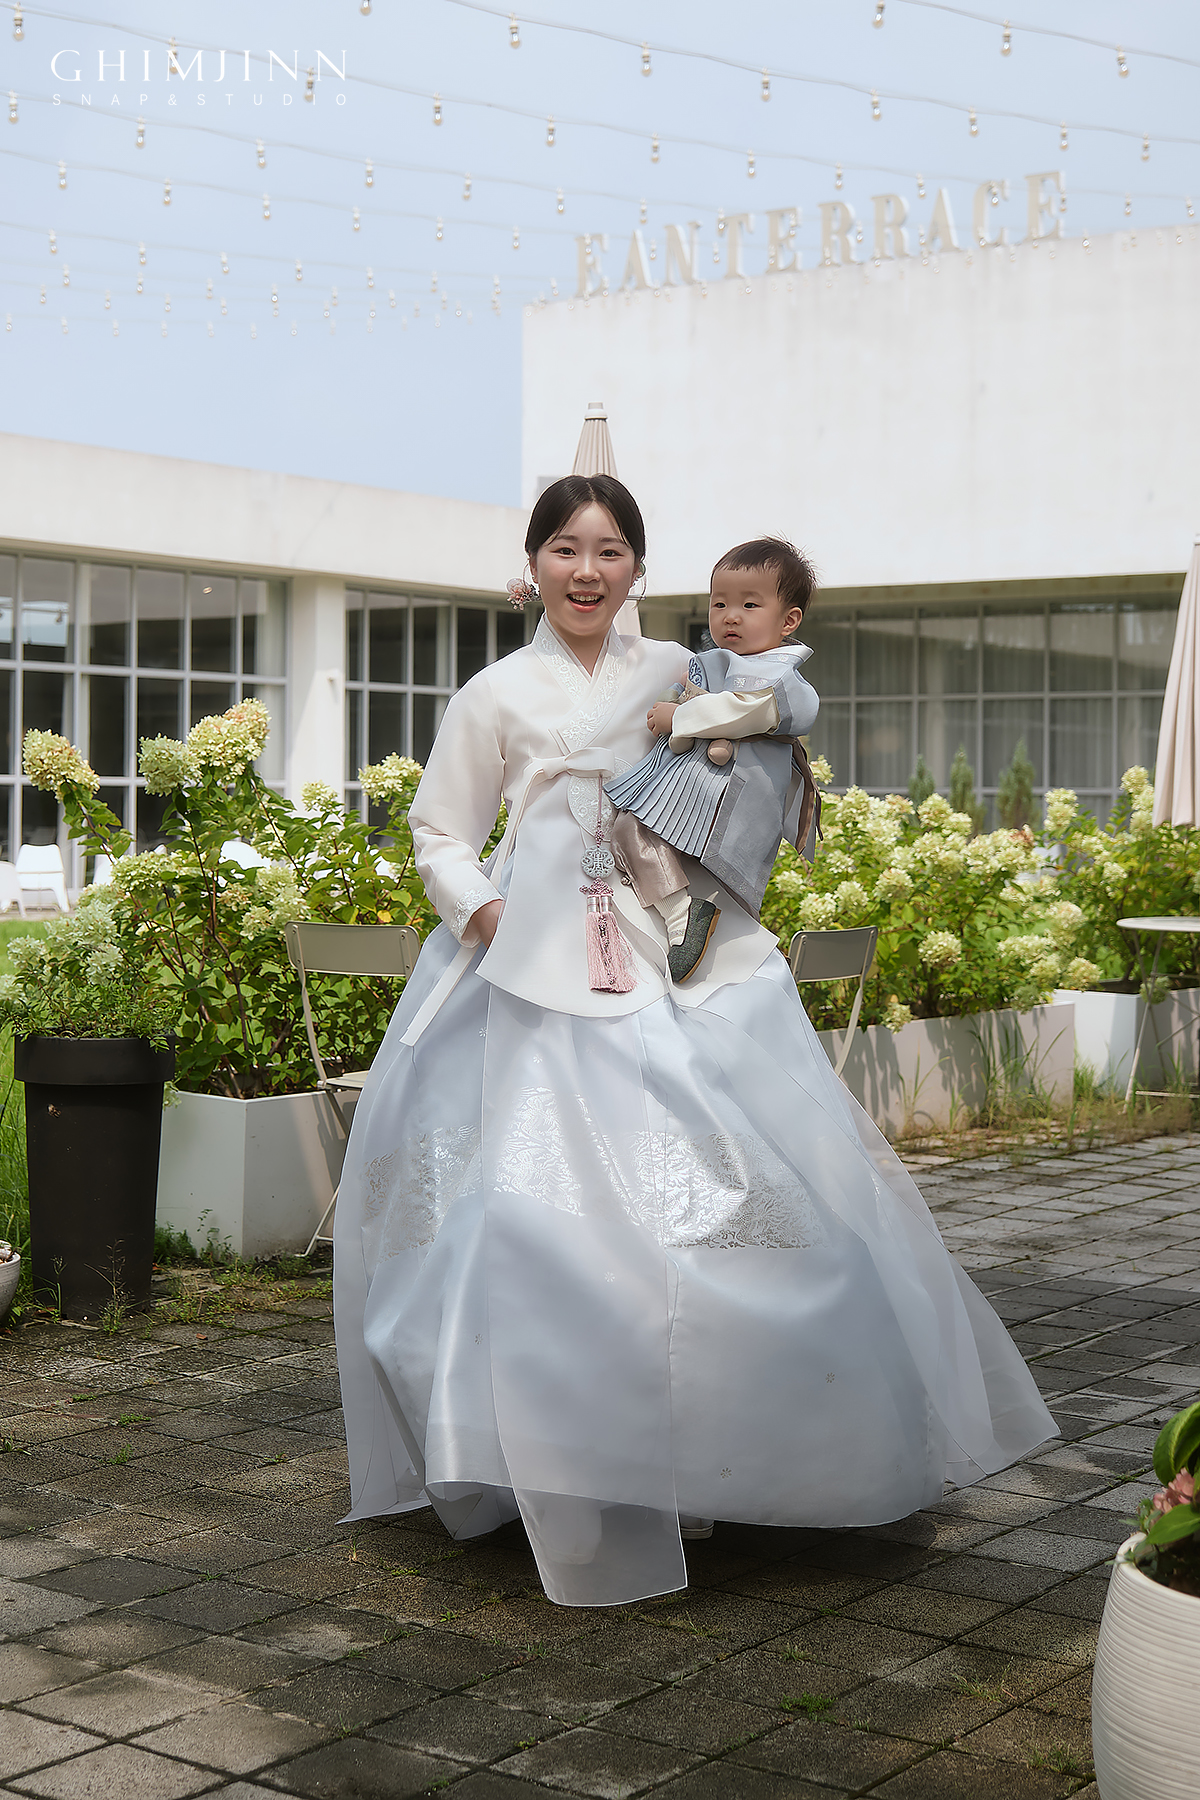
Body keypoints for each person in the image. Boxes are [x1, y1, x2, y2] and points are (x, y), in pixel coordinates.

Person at [333, 473, 1057, 1610]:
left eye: (610, 551)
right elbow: (440, 830)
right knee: (520, 1214)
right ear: (533, 565)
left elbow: (774, 724)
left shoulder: (684, 667)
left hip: (672, 943)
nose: (587, 571)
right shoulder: (493, 692)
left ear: (637, 568)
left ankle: (721, 1452)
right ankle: (546, 1458)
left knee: (730, 1190)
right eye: (566, 549)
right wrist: (484, 913)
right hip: (530, 955)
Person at [606, 537, 822, 983]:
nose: (730, 616)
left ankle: (686, 920)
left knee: (643, 832)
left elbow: (742, 710)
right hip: (699, 779)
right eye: (719, 603)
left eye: (749, 604)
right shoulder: (714, 661)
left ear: (789, 620)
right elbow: (692, 689)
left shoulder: (780, 676)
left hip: (733, 790)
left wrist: (679, 716)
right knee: (631, 828)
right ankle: (685, 917)